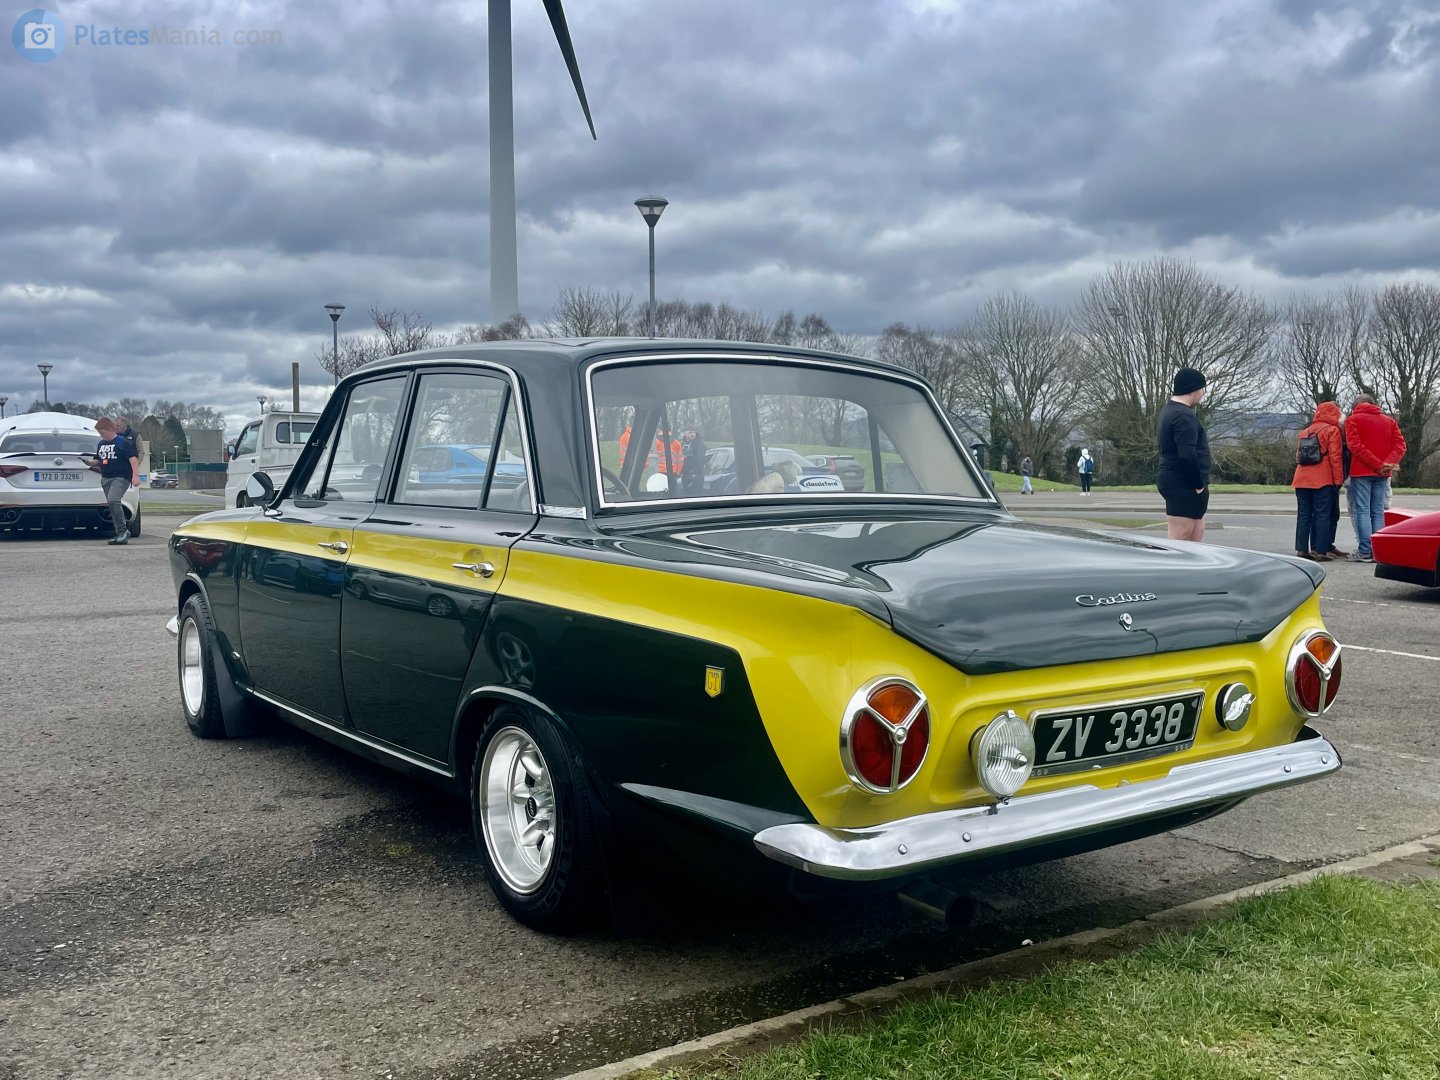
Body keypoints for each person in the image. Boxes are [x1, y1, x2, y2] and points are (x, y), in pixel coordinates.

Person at [1344, 393, 1406, 563]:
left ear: (1355, 407)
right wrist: (1386, 464)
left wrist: (1376, 464)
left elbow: (1355, 447)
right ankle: (1378, 551)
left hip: (1361, 472)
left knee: (1362, 511)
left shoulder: (1352, 420)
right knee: (1378, 512)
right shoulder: (1389, 421)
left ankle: (1365, 551)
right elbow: (1400, 446)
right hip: (1383, 473)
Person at [1156, 368, 1211, 542]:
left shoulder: (1172, 411)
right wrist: (1198, 484)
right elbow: (1187, 454)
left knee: (1196, 531)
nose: (1203, 393)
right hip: (1183, 483)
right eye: (1202, 388)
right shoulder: (1183, 416)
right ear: (1192, 389)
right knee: (1180, 536)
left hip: (1181, 481)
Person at [1291, 401, 1343, 561]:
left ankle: (1301, 549)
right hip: (1322, 478)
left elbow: (1298, 456)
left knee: (1303, 514)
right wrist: (1338, 480)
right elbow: (1335, 457)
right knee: (1322, 515)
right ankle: (1321, 551)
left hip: (1301, 478)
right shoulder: (1332, 430)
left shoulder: (1305, 432)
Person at [94, 417, 138, 545]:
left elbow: (133, 459)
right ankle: (119, 532)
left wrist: (135, 476)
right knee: (112, 505)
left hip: (121, 477)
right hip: (106, 478)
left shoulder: (122, 442)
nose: (101, 435)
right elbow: (99, 459)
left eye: (102, 432)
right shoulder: (101, 444)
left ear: (109, 429)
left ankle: (123, 531)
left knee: (113, 500)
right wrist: (90, 463)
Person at [681, 428, 707, 495]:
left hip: (695, 476)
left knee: (695, 496)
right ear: (685, 433)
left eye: (694, 432)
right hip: (685, 475)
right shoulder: (683, 444)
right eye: (690, 432)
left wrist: (696, 473)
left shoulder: (699, 444)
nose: (692, 434)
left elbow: (700, 459)